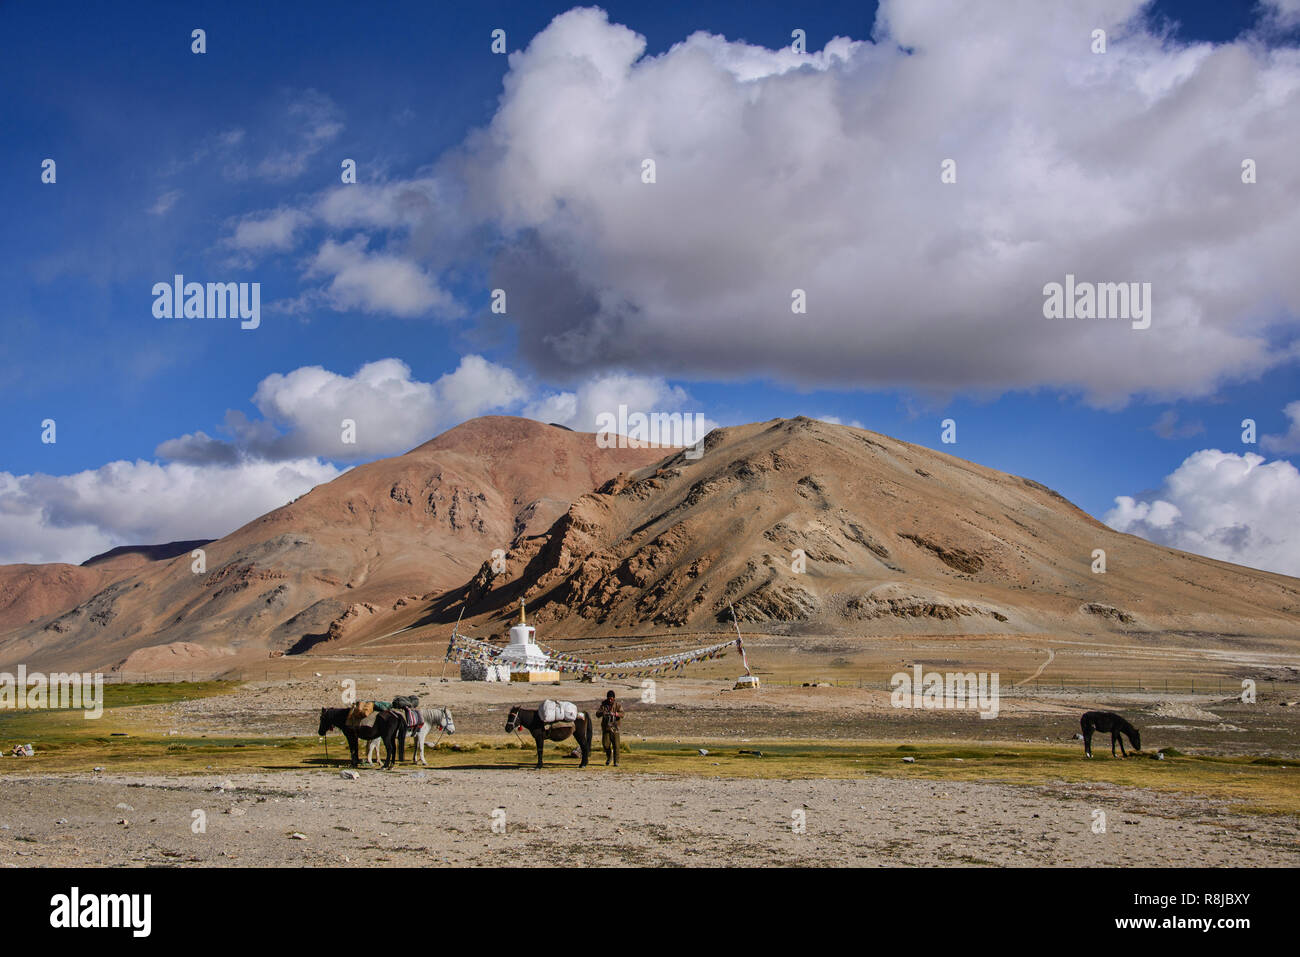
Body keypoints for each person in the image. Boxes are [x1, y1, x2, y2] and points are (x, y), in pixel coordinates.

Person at [595, 690, 624, 766]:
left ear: (614, 698)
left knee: (616, 745)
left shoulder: (618, 705)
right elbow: (597, 714)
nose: (610, 700)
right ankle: (609, 757)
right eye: (609, 698)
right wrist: (603, 713)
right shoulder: (603, 705)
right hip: (606, 727)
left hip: (615, 727)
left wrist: (615, 714)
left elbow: (622, 714)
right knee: (605, 744)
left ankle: (616, 761)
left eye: (611, 698)